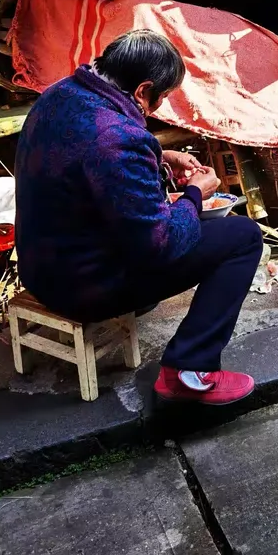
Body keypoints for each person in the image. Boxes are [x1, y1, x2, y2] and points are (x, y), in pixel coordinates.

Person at [14, 29, 264, 405]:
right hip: (80, 288)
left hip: (39, 269)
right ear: (143, 90)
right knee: (242, 237)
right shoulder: (119, 139)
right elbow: (160, 246)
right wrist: (196, 194)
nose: (158, 107)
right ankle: (189, 369)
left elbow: (83, 153)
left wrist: (160, 157)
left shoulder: (58, 95)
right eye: (161, 98)